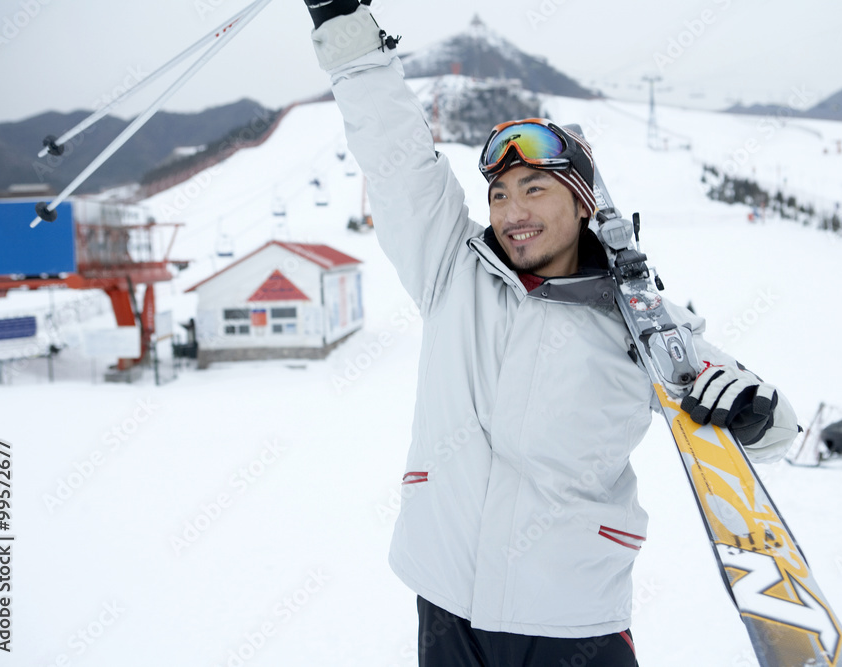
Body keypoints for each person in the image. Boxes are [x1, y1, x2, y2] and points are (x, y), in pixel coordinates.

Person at [302, 3, 799, 665]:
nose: (512, 212)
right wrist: (344, 29)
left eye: (534, 188)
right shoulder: (451, 268)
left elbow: (770, 427)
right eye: (500, 194)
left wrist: (754, 413)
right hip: (445, 601)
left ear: (581, 204)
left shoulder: (641, 319)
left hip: (570, 621)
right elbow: (397, 157)